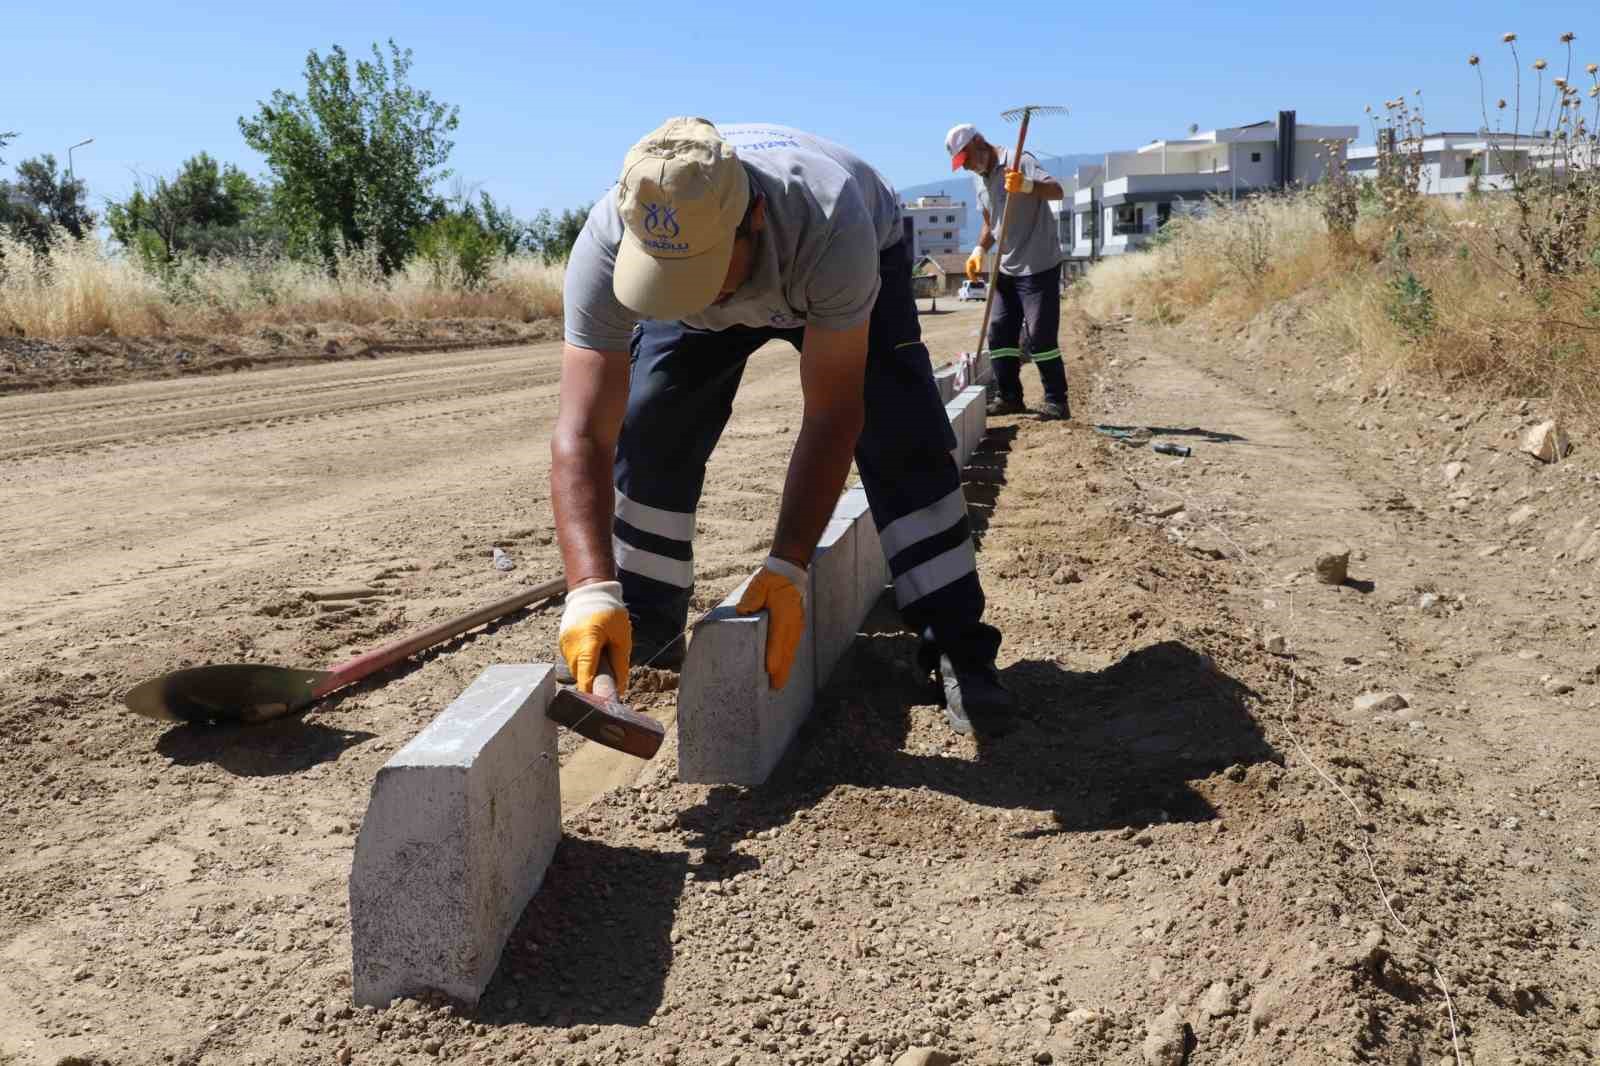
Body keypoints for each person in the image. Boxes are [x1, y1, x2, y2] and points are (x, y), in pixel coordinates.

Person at [551, 118, 1015, 735]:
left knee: (903, 434)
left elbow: (832, 414)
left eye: (705, 272)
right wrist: (588, 589)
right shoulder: (613, 235)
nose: (697, 297)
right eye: (668, 277)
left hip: (833, 261)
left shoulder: (831, 223)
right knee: (653, 427)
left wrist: (788, 565)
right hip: (747, 260)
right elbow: (583, 430)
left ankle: (958, 644)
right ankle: (641, 619)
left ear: (756, 219)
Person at [946, 123, 1071, 420]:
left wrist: (1027, 185)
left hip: (1038, 264)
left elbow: (1056, 191)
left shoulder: (1019, 160)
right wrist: (978, 250)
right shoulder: (979, 180)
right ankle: (1009, 397)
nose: (967, 168)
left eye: (967, 159)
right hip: (1005, 267)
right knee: (1000, 332)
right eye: (961, 165)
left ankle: (1057, 401)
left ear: (978, 142)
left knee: (1040, 334)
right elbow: (992, 221)